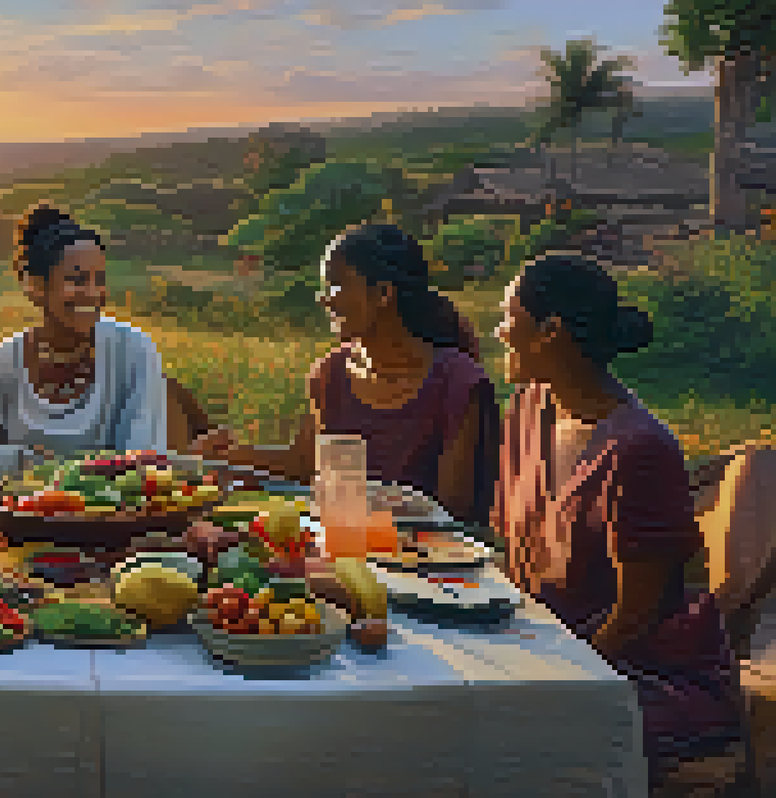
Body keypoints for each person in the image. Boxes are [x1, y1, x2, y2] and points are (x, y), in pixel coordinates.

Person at [491, 252, 745, 793]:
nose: (500, 330)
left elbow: (635, 617)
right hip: (547, 653)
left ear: (550, 332)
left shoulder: (638, 449)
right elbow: (512, 554)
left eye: (509, 316)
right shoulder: (527, 409)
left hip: (639, 675)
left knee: (496, 736)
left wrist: (553, 679)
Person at [193, 224, 499, 524]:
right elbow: (304, 463)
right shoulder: (331, 373)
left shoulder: (459, 383)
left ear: (382, 294)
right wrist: (227, 456)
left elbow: (453, 510)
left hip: (428, 561)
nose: (323, 299)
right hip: (344, 549)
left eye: (335, 285)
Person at [0, 204, 210, 485]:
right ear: (36, 286)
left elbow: (141, 458)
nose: (92, 293)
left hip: (119, 516)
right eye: (76, 280)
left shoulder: (131, 349)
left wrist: (33, 467)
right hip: (23, 519)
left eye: (99, 280)